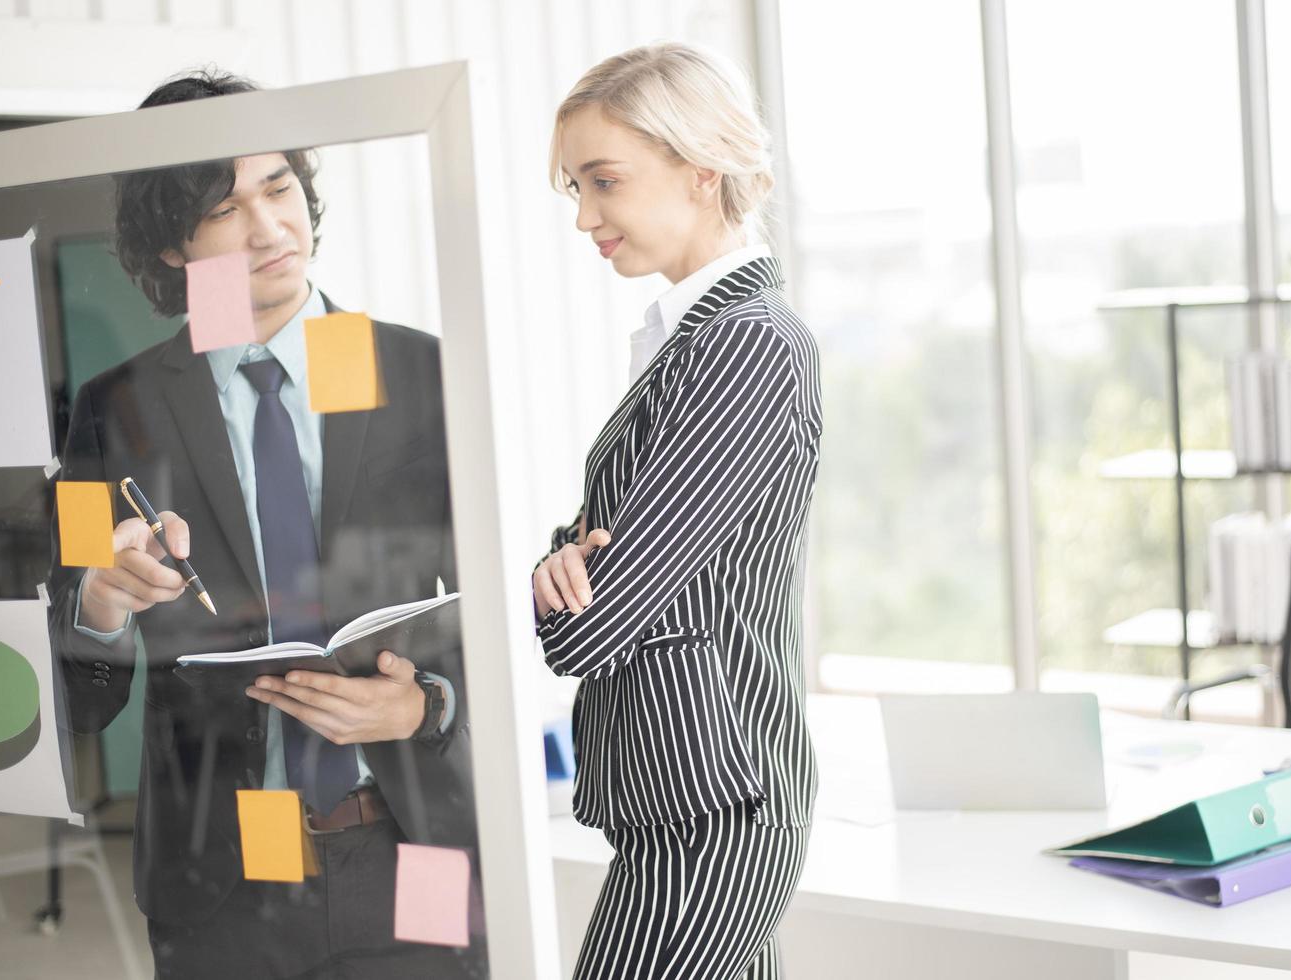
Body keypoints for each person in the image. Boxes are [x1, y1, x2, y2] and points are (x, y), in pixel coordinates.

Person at [46, 69, 484, 979]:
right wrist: (98, 602)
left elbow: (498, 611)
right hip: (221, 880)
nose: (269, 227)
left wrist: (427, 702)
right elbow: (80, 695)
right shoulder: (112, 408)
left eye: (279, 186)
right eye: (224, 206)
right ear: (171, 246)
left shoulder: (420, 372)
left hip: (416, 843)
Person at [535, 42, 822, 980]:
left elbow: (593, 623)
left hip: (713, 803)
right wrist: (566, 558)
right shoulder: (692, 339)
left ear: (702, 173)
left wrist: (567, 575)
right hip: (684, 792)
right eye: (575, 188)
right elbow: (602, 556)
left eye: (603, 182)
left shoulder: (745, 345)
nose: (584, 217)